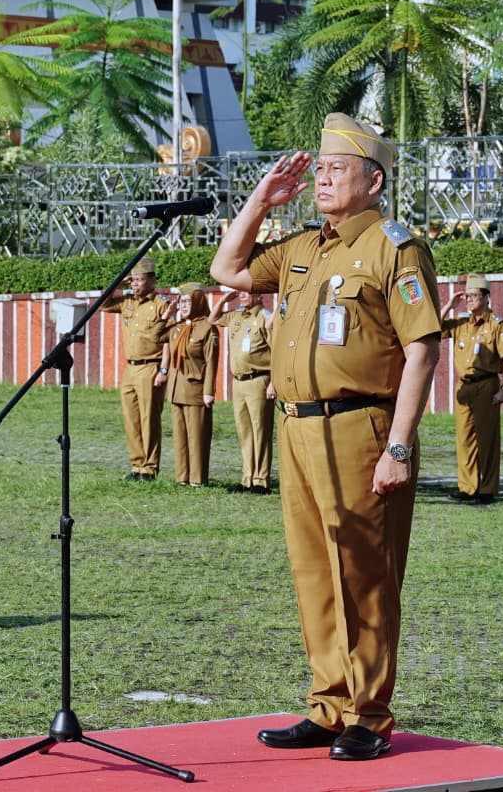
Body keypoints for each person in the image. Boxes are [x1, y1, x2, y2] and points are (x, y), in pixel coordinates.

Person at [210, 112, 441, 762]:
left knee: (364, 575)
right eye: (320, 168)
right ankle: (330, 704)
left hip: (361, 427)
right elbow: (227, 268)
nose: (323, 178)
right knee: (314, 571)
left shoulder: (396, 248)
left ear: (374, 180)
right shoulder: (303, 248)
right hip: (297, 426)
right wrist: (261, 200)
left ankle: (369, 714)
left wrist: (399, 446)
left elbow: (423, 350)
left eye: (337, 169)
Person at [440, 273, 503, 504]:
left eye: (473, 295)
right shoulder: (460, 322)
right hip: (464, 386)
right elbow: (433, 329)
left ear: (486, 297)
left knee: (487, 439)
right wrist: (449, 305)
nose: (469, 300)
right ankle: (467, 487)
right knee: (464, 438)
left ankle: (487, 489)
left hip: (486, 384)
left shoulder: (497, 325)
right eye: (467, 296)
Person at [101, 257, 169, 480]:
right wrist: (119, 284)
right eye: (133, 280)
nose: (135, 284)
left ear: (152, 280)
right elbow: (103, 304)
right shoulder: (127, 302)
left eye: (139, 280)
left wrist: (164, 370)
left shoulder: (161, 304)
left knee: (149, 418)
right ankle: (137, 465)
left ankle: (150, 467)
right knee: (131, 418)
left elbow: (169, 339)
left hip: (151, 366)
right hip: (130, 368)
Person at [211, 290, 275, 494]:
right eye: (240, 292)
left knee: (260, 430)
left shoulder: (265, 317)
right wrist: (223, 300)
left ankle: (261, 480)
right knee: (244, 431)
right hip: (239, 382)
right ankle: (247, 478)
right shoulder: (235, 315)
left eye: (247, 292)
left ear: (259, 295)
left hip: (259, 380)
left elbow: (277, 352)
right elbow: (212, 319)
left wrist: (274, 383)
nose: (242, 295)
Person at [159, 283, 219, 487]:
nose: (183, 306)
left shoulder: (208, 328)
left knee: (197, 437)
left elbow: (211, 362)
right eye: (181, 302)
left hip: (195, 390)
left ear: (199, 303)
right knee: (180, 438)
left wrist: (209, 391)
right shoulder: (178, 327)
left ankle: (197, 479)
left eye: (187, 301)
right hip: (176, 390)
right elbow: (155, 336)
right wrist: (167, 314)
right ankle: (182, 477)